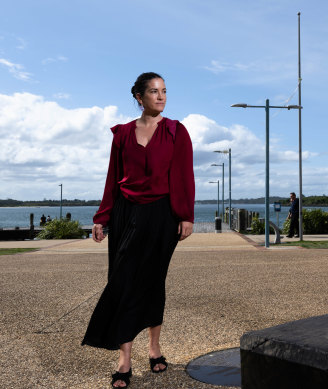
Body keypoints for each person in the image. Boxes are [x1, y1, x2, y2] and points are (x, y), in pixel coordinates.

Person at [82, 72, 195, 388]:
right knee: (121, 282)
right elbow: (112, 178)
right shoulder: (121, 134)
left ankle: (154, 347)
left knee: (152, 281)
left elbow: (184, 175)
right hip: (125, 213)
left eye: (164, 91)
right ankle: (124, 358)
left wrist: (185, 216)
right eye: (154, 92)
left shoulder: (176, 132)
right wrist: (102, 217)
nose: (161, 97)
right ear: (139, 97)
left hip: (162, 215)